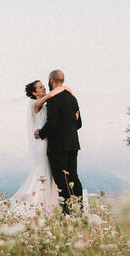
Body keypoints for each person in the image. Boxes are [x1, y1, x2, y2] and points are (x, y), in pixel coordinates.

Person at [9, 79, 63, 211]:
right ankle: (36, 204)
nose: (44, 88)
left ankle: (48, 204)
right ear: (34, 93)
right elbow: (50, 95)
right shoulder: (34, 104)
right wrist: (65, 88)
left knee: (48, 172)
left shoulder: (42, 105)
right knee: (41, 172)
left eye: (44, 86)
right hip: (40, 145)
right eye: (40, 87)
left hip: (47, 142)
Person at [34, 70, 83, 214]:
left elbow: (52, 124)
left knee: (62, 181)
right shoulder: (73, 98)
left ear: (51, 81)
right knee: (73, 178)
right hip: (73, 143)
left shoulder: (53, 100)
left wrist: (40, 134)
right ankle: (79, 210)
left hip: (58, 146)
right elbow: (78, 124)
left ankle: (67, 213)